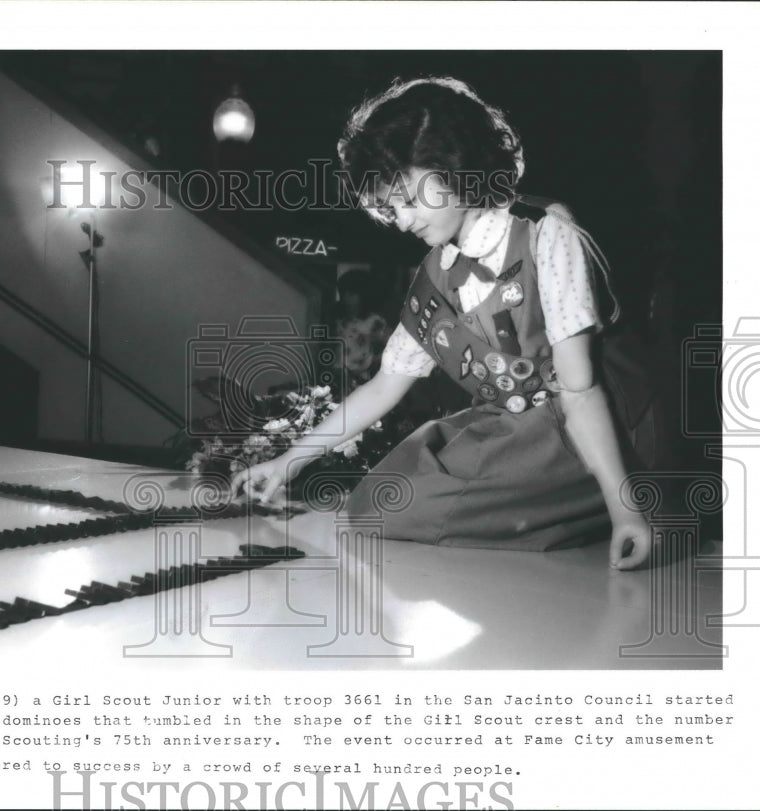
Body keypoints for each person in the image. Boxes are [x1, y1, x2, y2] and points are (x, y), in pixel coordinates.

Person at [231, 76, 655, 570]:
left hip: (595, 418)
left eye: (409, 198)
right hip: (518, 420)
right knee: (376, 504)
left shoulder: (546, 232)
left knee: (413, 508)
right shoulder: (435, 276)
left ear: (455, 165)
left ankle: (594, 506)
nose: (404, 221)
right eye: (391, 209)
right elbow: (383, 387)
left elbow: (580, 392)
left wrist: (627, 511)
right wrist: (286, 463)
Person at [333, 269, 390, 396]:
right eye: (343, 293)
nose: (346, 298)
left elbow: (393, 347)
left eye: (352, 294)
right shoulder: (337, 319)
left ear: (363, 295)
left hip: (359, 379)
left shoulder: (373, 321)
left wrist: (371, 362)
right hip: (336, 376)